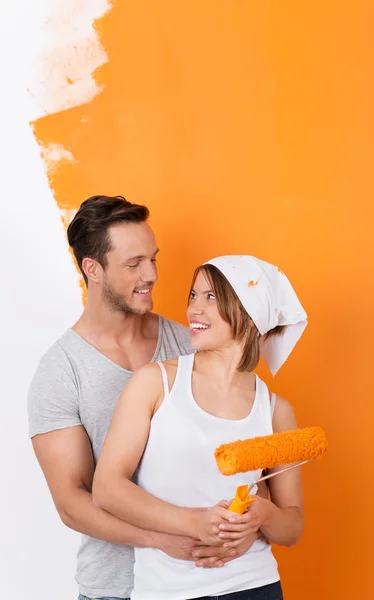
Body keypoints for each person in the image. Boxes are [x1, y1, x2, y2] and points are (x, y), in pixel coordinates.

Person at [28, 196, 248, 600]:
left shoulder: (190, 343)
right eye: (134, 264)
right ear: (92, 269)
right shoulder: (61, 371)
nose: (151, 274)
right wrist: (159, 538)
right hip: (116, 589)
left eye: (153, 259)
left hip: (206, 579)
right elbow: (72, 502)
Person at [93, 254, 308, 600]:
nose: (195, 309)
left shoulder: (274, 410)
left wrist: (262, 515)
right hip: (169, 591)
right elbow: (107, 488)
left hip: (255, 586)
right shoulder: (155, 383)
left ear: (250, 314)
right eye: (193, 296)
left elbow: (292, 528)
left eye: (211, 297)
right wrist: (194, 522)